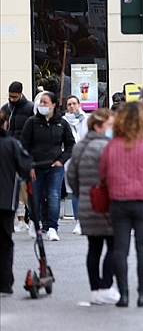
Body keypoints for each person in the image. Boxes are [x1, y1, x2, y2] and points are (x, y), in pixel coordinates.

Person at [99, 101, 143, 307]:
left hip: (118, 202)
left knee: (120, 249)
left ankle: (123, 294)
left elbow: (102, 174)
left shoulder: (112, 145)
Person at [67, 109, 119, 305]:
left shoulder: (80, 146)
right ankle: (106, 286)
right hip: (107, 205)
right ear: (98, 127)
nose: (112, 129)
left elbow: (71, 176)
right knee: (115, 246)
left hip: (88, 204)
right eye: (110, 126)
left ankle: (95, 288)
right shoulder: (107, 147)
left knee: (94, 247)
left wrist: (82, 194)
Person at [21, 91, 76, 242]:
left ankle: (52, 227)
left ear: (53, 105)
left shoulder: (61, 123)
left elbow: (70, 144)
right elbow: (24, 145)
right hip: (36, 166)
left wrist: (62, 160)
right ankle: (34, 221)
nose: (42, 105)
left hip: (55, 166)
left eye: (45, 102)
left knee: (54, 196)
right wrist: (29, 165)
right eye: (40, 103)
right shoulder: (32, 122)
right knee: (35, 197)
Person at [0, 109, 32, 297]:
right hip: (5, 201)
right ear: (5, 125)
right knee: (4, 242)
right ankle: (4, 283)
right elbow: (25, 165)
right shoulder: (11, 144)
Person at [62, 95, 88, 235]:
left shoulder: (87, 119)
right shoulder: (63, 121)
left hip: (85, 158)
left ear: (79, 104)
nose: (72, 106)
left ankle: (86, 220)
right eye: (69, 104)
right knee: (74, 191)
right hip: (70, 160)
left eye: (74, 103)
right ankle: (78, 221)